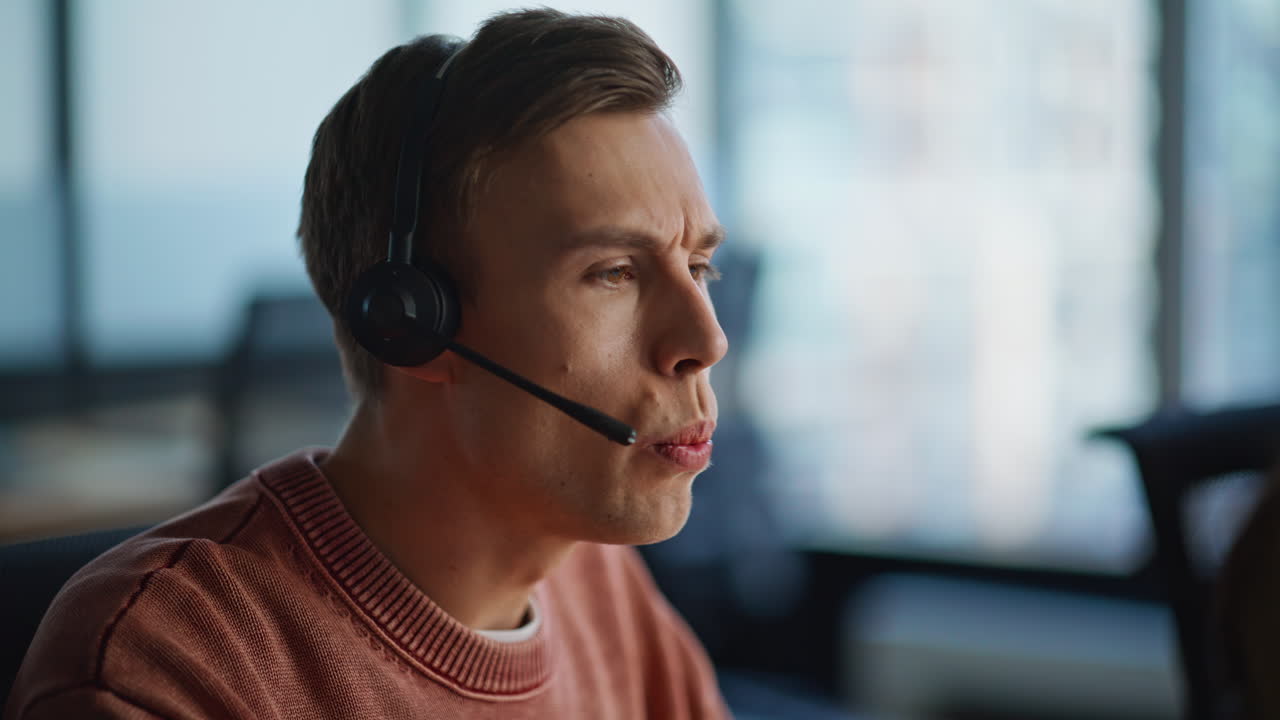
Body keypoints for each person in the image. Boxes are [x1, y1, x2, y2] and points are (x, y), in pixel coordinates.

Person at [5, 9, 732, 719]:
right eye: (614, 272)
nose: (707, 339)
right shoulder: (169, 665)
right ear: (411, 323)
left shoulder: (597, 584)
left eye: (699, 266)